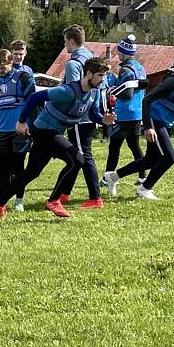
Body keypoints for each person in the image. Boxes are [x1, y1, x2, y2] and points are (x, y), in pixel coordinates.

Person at [0, 57, 116, 218]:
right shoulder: (68, 91)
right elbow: (35, 97)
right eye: (100, 76)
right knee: (77, 160)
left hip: (53, 132)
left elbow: (92, 114)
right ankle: (54, 200)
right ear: (88, 74)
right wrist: (21, 122)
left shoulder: (94, 92)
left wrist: (104, 120)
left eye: (104, 76)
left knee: (31, 172)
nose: (102, 80)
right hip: (43, 130)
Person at [103, 56, 174, 200]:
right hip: (155, 120)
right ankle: (144, 188)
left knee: (150, 160)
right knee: (169, 157)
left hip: (165, 123)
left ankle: (113, 177)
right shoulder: (173, 82)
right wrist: (148, 127)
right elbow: (147, 100)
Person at [0, 49, 35, 211]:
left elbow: (33, 103)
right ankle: (2, 202)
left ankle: (19, 200)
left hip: (20, 130)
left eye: (4, 68)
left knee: (18, 167)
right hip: (3, 131)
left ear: (11, 63)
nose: (1, 71)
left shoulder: (23, 78)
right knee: (4, 167)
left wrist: (29, 125)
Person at [61, 24, 105, 209]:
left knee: (83, 156)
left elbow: (72, 92)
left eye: (65, 42)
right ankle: (64, 193)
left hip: (79, 117)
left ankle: (95, 198)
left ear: (71, 41)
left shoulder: (73, 63)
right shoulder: (92, 57)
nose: (65, 46)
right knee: (76, 155)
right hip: (91, 112)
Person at [101, 35, 148, 190]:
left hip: (124, 113)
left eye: (119, 52)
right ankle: (142, 177)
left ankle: (108, 178)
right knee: (134, 145)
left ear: (124, 52)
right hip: (137, 112)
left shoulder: (125, 69)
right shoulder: (140, 68)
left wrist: (111, 91)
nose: (117, 54)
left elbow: (126, 94)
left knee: (114, 146)